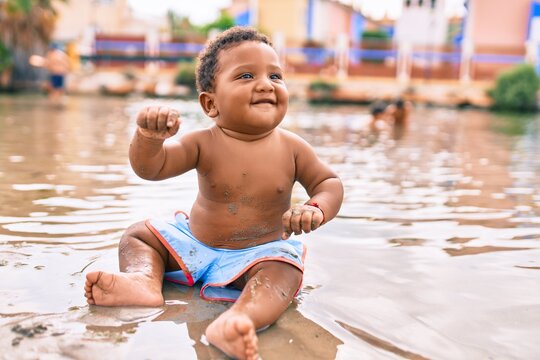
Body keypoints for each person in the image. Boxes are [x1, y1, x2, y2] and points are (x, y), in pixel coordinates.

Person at [84, 26, 344, 360]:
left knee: (283, 272)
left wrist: (316, 208)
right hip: (194, 244)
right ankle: (144, 281)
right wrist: (149, 140)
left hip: (258, 257)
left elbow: (329, 183)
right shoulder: (202, 142)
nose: (266, 84)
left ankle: (240, 321)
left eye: (276, 76)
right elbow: (152, 168)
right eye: (247, 75)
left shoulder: (293, 148)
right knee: (138, 235)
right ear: (211, 104)